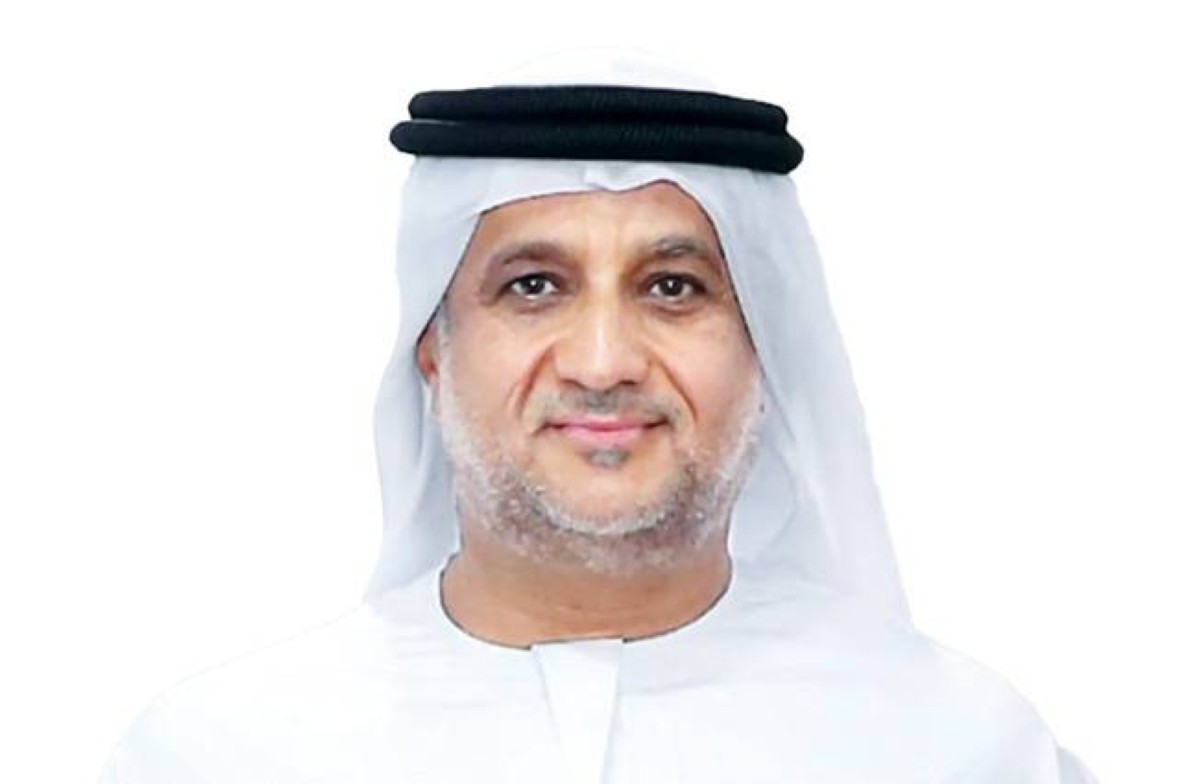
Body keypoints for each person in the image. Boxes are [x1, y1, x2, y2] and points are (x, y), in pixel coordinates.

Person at [100, 50, 1097, 783]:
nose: (604, 363)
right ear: (434, 351)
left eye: (673, 287)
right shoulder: (222, 754)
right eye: (533, 286)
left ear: (763, 350)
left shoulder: (957, 747)